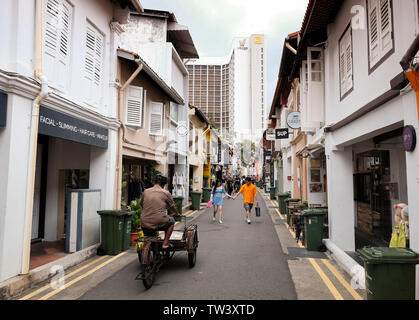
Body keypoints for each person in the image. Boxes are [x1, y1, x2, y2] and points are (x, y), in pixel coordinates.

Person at [140, 174, 180, 250]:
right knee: (171, 221)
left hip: (144, 222)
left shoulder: (145, 191)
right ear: (164, 184)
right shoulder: (165, 193)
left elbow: (142, 204)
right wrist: (177, 213)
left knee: (147, 234)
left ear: (154, 182)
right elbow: (172, 206)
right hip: (159, 221)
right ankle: (165, 243)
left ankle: (146, 245)